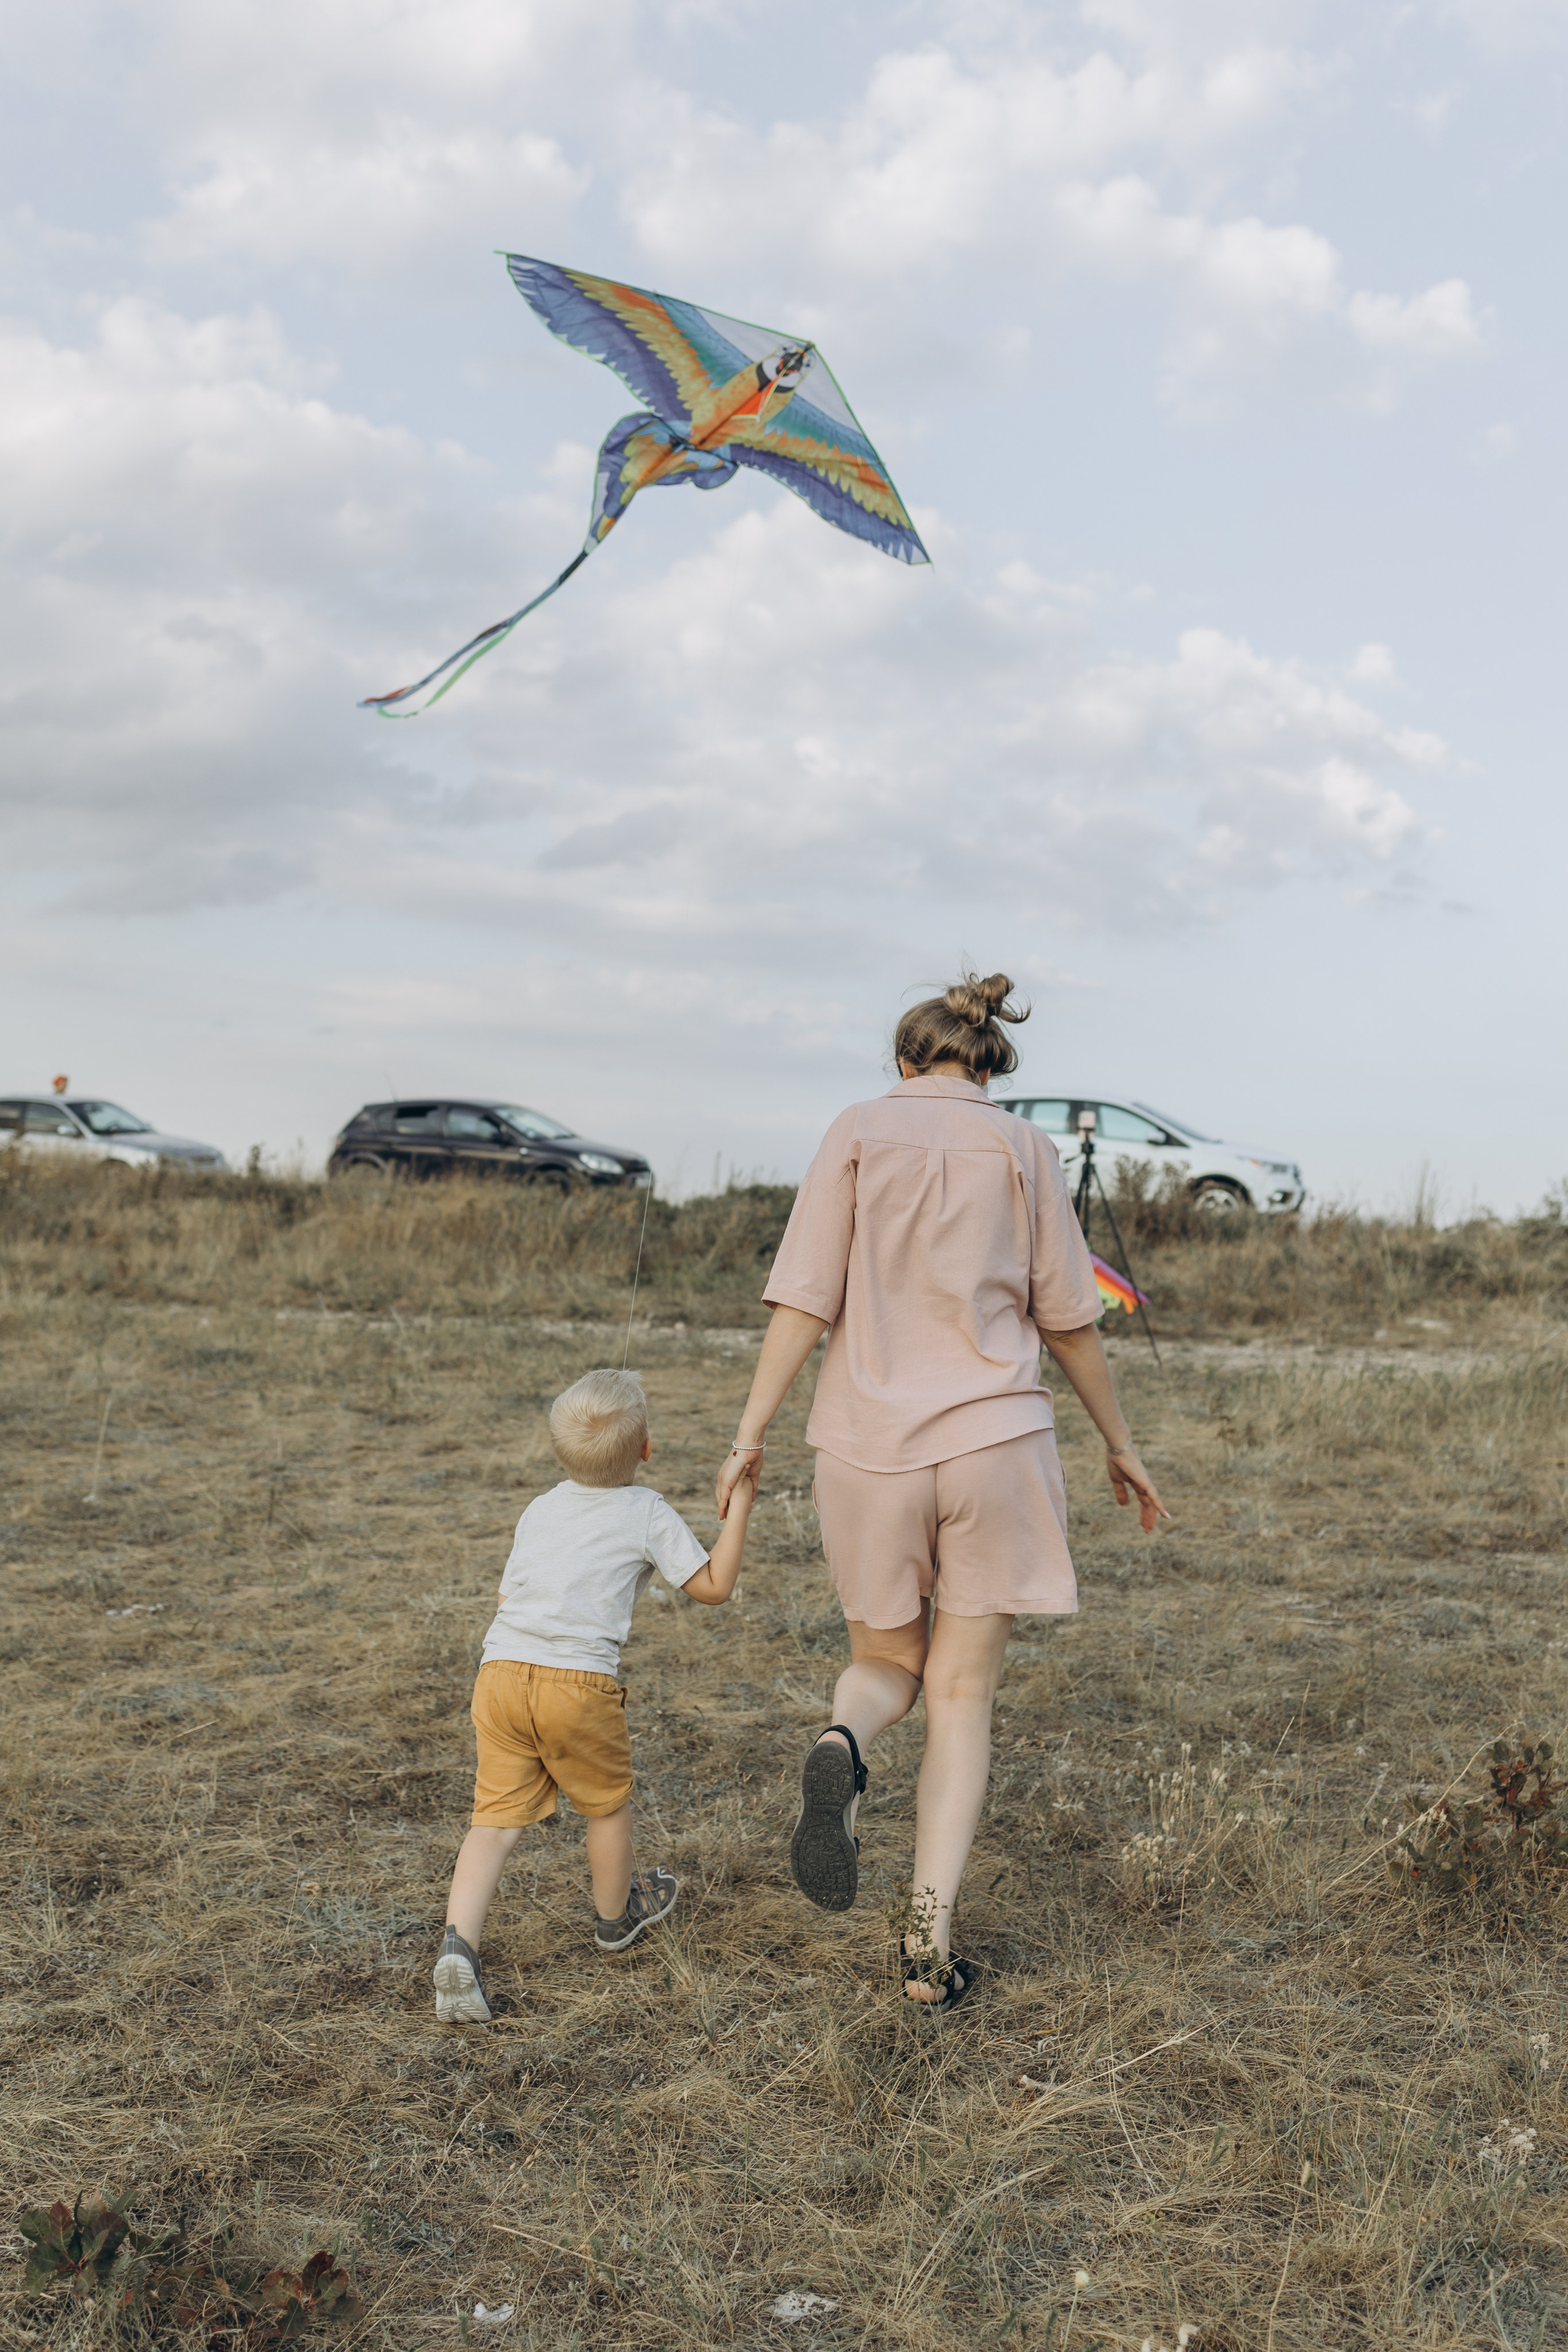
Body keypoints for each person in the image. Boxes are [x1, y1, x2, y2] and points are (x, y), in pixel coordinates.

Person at [715, 973, 1167, 2011]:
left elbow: (803, 1297)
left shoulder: (859, 1131)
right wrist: (1120, 1443)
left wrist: (748, 1433)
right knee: (963, 1696)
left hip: (868, 1451)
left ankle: (846, 1742)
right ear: (990, 1063)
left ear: (907, 1059)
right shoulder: (1027, 1152)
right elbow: (1070, 1319)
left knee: (885, 1663)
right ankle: (927, 1951)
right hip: (995, 1445)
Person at [434, 1367, 755, 2024]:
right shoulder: (647, 1511)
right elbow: (714, 1586)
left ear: (559, 1451)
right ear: (645, 1449)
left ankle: (458, 1946)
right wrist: (742, 1503)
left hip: (498, 1673)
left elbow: (506, 1598)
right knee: (605, 1808)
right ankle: (616, 1920)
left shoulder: (540, 1507)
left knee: (492, 1822)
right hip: (575, 1687)